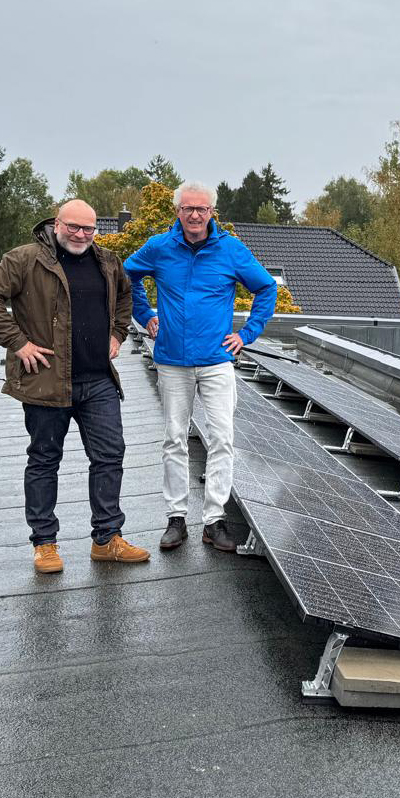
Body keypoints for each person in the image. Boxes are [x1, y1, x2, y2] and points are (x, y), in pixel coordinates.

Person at [0, 199, 150, 573]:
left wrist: (117, 333)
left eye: (89, 229)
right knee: (44, 460)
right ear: (57, 224)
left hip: (97, 379)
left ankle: (107, 538)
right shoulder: (25, 259)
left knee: (109, 455)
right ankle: (45, 544)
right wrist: (17, 342)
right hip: (46, 381)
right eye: (74, 227)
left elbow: (126, 296)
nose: (82, 235)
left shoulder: (108, 262)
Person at [125, 181, 277, 551]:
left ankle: (214, 520)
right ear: (177, 211)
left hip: (216, 361)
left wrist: (248, 334)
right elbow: (126, 275)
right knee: (174, 438)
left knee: (222, 438)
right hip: (172, 362)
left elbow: (266, 288)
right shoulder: (160, 247)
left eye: (202, 209)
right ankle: (176, 518)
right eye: (188, 208)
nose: (195, 215)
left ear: (212, 213)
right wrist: (144, 314)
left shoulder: (230, 249)